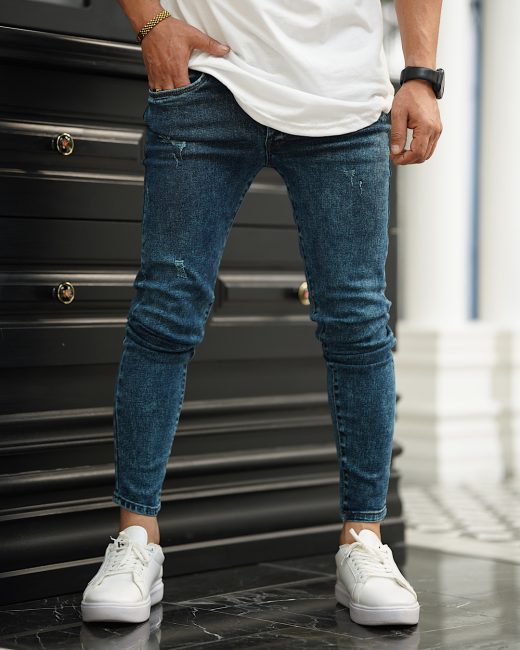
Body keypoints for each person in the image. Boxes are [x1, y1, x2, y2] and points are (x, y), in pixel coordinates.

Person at [81, 0, 443, 627]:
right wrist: (151, 24)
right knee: (165, 309)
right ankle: (136, 539)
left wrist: (422, 74)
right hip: (208, 80)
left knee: (358, 323)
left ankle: (364, 540)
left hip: (343, 96)